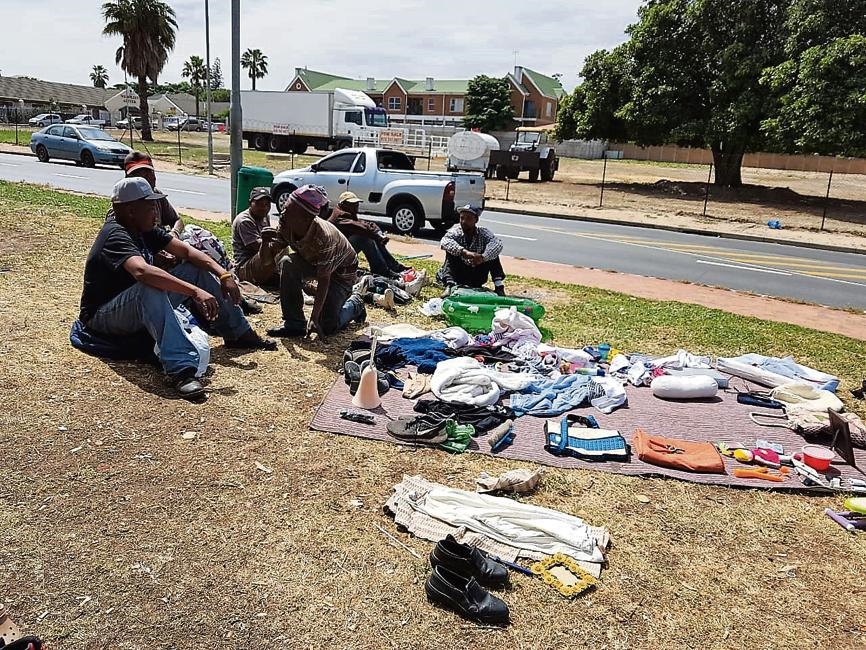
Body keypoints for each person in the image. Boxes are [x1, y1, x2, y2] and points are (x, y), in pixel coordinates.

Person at [79, 177, 276, 399]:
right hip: (102, 317)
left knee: (195, 269)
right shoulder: (115, 234)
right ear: (131, 210)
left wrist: (224, 274)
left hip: (134, 306)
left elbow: (188, 252)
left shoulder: (142, 229)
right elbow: (142, 272)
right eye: (150, 207)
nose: (156, 213)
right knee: (148, 287)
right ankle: (181, 369)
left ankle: (238, 333)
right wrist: (194, 292)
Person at [267, 185, 366, 338]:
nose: (283, 212)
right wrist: (265, 244)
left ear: (306, 218)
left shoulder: (324, 237)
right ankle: (294, 324)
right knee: (287, 262)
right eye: (285, 207)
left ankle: (355, 304)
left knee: (327, 326)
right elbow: (267, 260)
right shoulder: (286, 224)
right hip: (313, 261)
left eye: (289, 210)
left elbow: (324, 279)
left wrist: (314, 317)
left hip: (341, 272)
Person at [327, 191, 407, 278]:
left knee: (370, 235)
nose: (356, 207)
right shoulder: (340, 216)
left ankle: (394, 266)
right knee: (364, 238)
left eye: (357, 204)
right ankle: (381, 270)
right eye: (353, 204)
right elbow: (360, 228)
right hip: (334, 259)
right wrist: (377, 235)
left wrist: (379, 234)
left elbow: (364, 223)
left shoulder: (346, 213)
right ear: (343, 204)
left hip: (340, 252)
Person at [437, 205, 506, 297]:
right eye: (462, 218)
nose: (464, 222)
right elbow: (445, 241)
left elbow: (497, 244)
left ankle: (499, 286)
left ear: (476, 220)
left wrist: (483, 257)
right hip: (459, 275)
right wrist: (464, 252)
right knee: (451, 252)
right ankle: (449, 285)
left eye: (468, 218)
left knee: (493, 254)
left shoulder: (483, 233)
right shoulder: (455, 232)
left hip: (477, 275)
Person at [120, 151, 184, 237]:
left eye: (148, 173)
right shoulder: (123, 202)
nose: (145, 179)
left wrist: (174, 233)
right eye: (138, 175)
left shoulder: (157, 195)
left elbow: (177, 220)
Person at [231, 186, 284, 285]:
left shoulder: (265, 216)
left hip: (258, 261)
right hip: (244, 266)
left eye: (267, 204)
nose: (264, 208)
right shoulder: (244, 221)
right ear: (250, 203)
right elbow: (257, 246)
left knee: (283, 249)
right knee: (274, 248)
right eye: (259, 204)